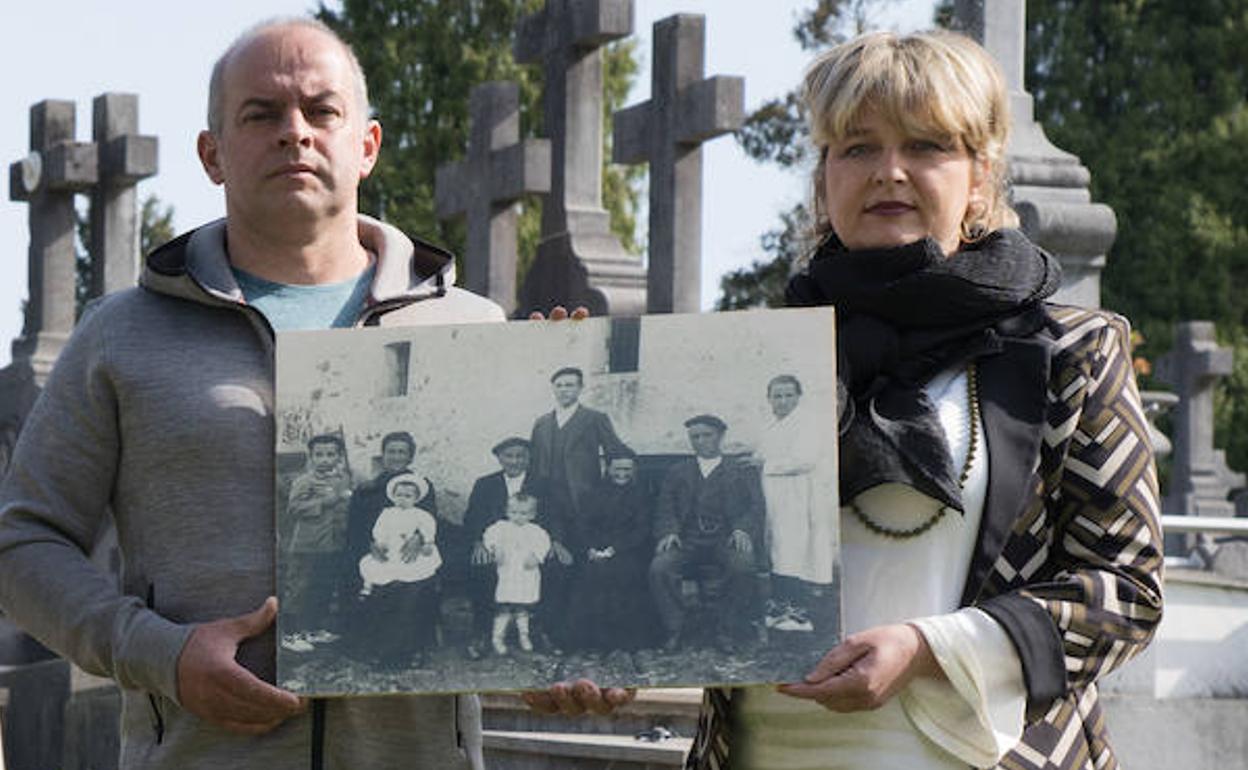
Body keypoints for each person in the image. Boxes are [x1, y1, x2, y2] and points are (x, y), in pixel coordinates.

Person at [527, 30, 1164, 770]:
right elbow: (652, 527)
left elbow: (1126, 591)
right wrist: (598, 653)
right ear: (824, 177)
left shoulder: (1068, 351)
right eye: (857, 148)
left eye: (926, 146)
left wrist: (926, 647)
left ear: (980, 177)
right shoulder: (751, 358)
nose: (889, 172)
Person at [0, 17, 503, 769]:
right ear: (213, 154)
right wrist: (160, 655)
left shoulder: (474, 329)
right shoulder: (121, 334)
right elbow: (21, 543)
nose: (294, 133)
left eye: (321, 111)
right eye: (261, 114)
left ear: (365, 145)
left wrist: (571, 658)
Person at [648, 415, 760, 652]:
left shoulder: (740, 470)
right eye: (694, 437)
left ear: (720, 436)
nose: (700, 441)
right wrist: (669, 531)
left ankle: (725, 629)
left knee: (743, 567)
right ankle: (676, 628)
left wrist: (742, 529)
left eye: (706, 435)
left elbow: (756, 506)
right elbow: (664, 505)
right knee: (660, 568)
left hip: (725, 539)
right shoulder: (678, 471)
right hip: (687, 539)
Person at [462, 436, 568, 658]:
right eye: (509, 456)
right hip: (497, 545)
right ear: (499, 458)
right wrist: (478, 542)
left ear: (528, 458)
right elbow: (473, 517)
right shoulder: (485, 484)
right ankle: (482, 632)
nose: (514, 461)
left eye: (520, 456)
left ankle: (541, 631)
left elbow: (556, 516)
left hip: (531, 543)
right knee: (480, 567)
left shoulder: (543, 483)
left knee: (554, 566)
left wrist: (555, 542)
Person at [754, 374, 835, 634]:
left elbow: (804, 459)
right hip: (776, 495)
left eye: (789, 395)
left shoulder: (807, 423)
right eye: (777, 395)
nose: (783, 401)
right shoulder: (771, 425)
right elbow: (766, 453)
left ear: (798, 396)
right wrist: (755, 458)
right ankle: (780, 609)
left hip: (799, 495)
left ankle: (798, 614)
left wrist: (765, 465)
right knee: (779, 550)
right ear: (769, 399)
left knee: (794, 552)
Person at [570, 450, 657, 653]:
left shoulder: (643, 495)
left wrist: (615, 549)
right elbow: (582, 526)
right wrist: (589, 548)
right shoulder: (592, 494)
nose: (622, 474)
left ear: (634, 470)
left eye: (627, 469)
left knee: (621, 573)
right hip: (595, 549)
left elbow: (642, 530)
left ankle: (624, 641)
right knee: (589, 576)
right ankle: (593, 642)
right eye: (618, 468)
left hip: (629, 550)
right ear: (608, 468)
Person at [355, 474, 441, 668]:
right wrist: (380, 543)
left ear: (416, 498)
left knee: (410, 596)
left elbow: (429, 529)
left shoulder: (421, 514)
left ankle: (411, 650)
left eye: (408, 495)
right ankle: (383, 649)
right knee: (382, 587)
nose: (403, 499)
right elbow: (379, 531)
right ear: (393, 496)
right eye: (400, 495)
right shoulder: (386, 513)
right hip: (391, 554)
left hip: (413, 557)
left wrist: (427, 543)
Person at [281, 432, 353, 653]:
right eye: (319, 454)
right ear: (311, 457)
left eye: (330, 454)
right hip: (307, 544)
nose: (325, 459)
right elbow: (293, 508)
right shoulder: (305, 480)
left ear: (339, 456)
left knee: (321, 587)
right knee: (299, 588)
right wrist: (326, 501)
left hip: (332, 543)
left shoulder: (343, 479)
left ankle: (313, 629)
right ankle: (290, 634)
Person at [529, 366, 632, 519]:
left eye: (569, 385)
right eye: (559, 386)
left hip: (583, 495)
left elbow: (615, 452)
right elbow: (534, 460)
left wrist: (605, 489)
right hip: (547, 496)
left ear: (580, 388)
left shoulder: (594, 418)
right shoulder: (541, 423)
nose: (563, 390)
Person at [481, 493, 552, 655]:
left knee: (523, 607)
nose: (518, 517)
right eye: (513, 512)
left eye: (523, 513)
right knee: (504, 607)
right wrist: (495, 548)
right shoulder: (501, 527)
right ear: (507, 511)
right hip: (507, 573)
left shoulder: (536, 531)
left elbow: (544, 544)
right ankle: (497, 638)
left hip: (526, 574)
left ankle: (524, 636)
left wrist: (536, 556)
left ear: (533, 515)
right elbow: (489, 536)